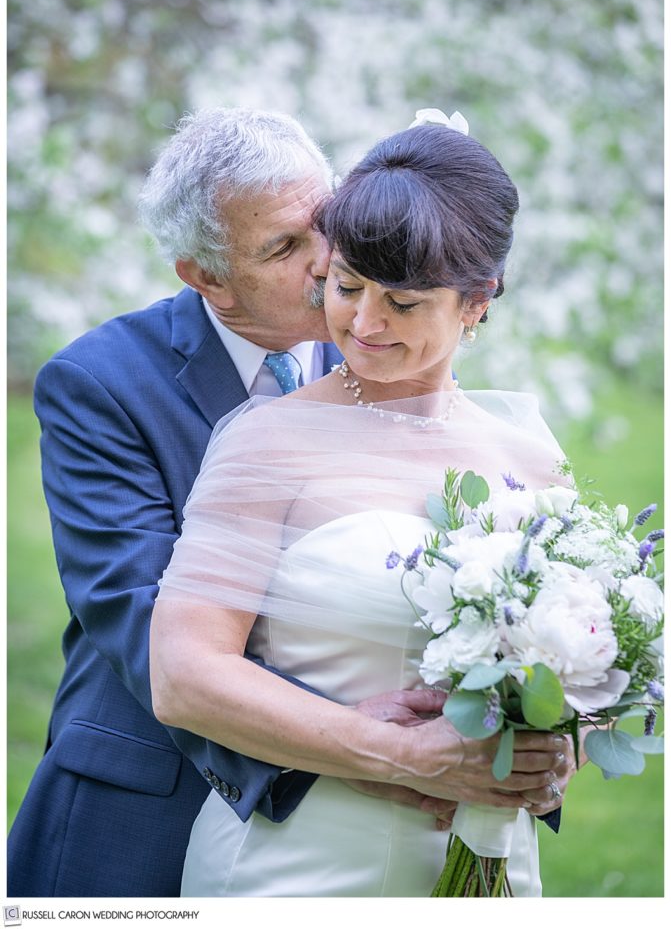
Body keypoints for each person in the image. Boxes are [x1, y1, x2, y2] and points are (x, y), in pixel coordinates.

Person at [8, 107, 465, 898]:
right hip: (149, 804)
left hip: (359, 835)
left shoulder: (379, 349)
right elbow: (142, 619)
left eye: (324, 223)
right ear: (204, 275)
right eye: (283, 248)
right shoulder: (100, 385)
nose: (328, 262)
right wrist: (360, 743)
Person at [150, 111, 576, 898]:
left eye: (405, 305)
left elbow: (576, 659)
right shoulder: (268, 441)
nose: (364, 323)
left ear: (476, 303)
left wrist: (558, 746)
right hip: (297, 865)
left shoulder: (531, 459)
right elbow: (184, 675)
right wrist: (400, 754)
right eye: (347, 286)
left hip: (490, 855)